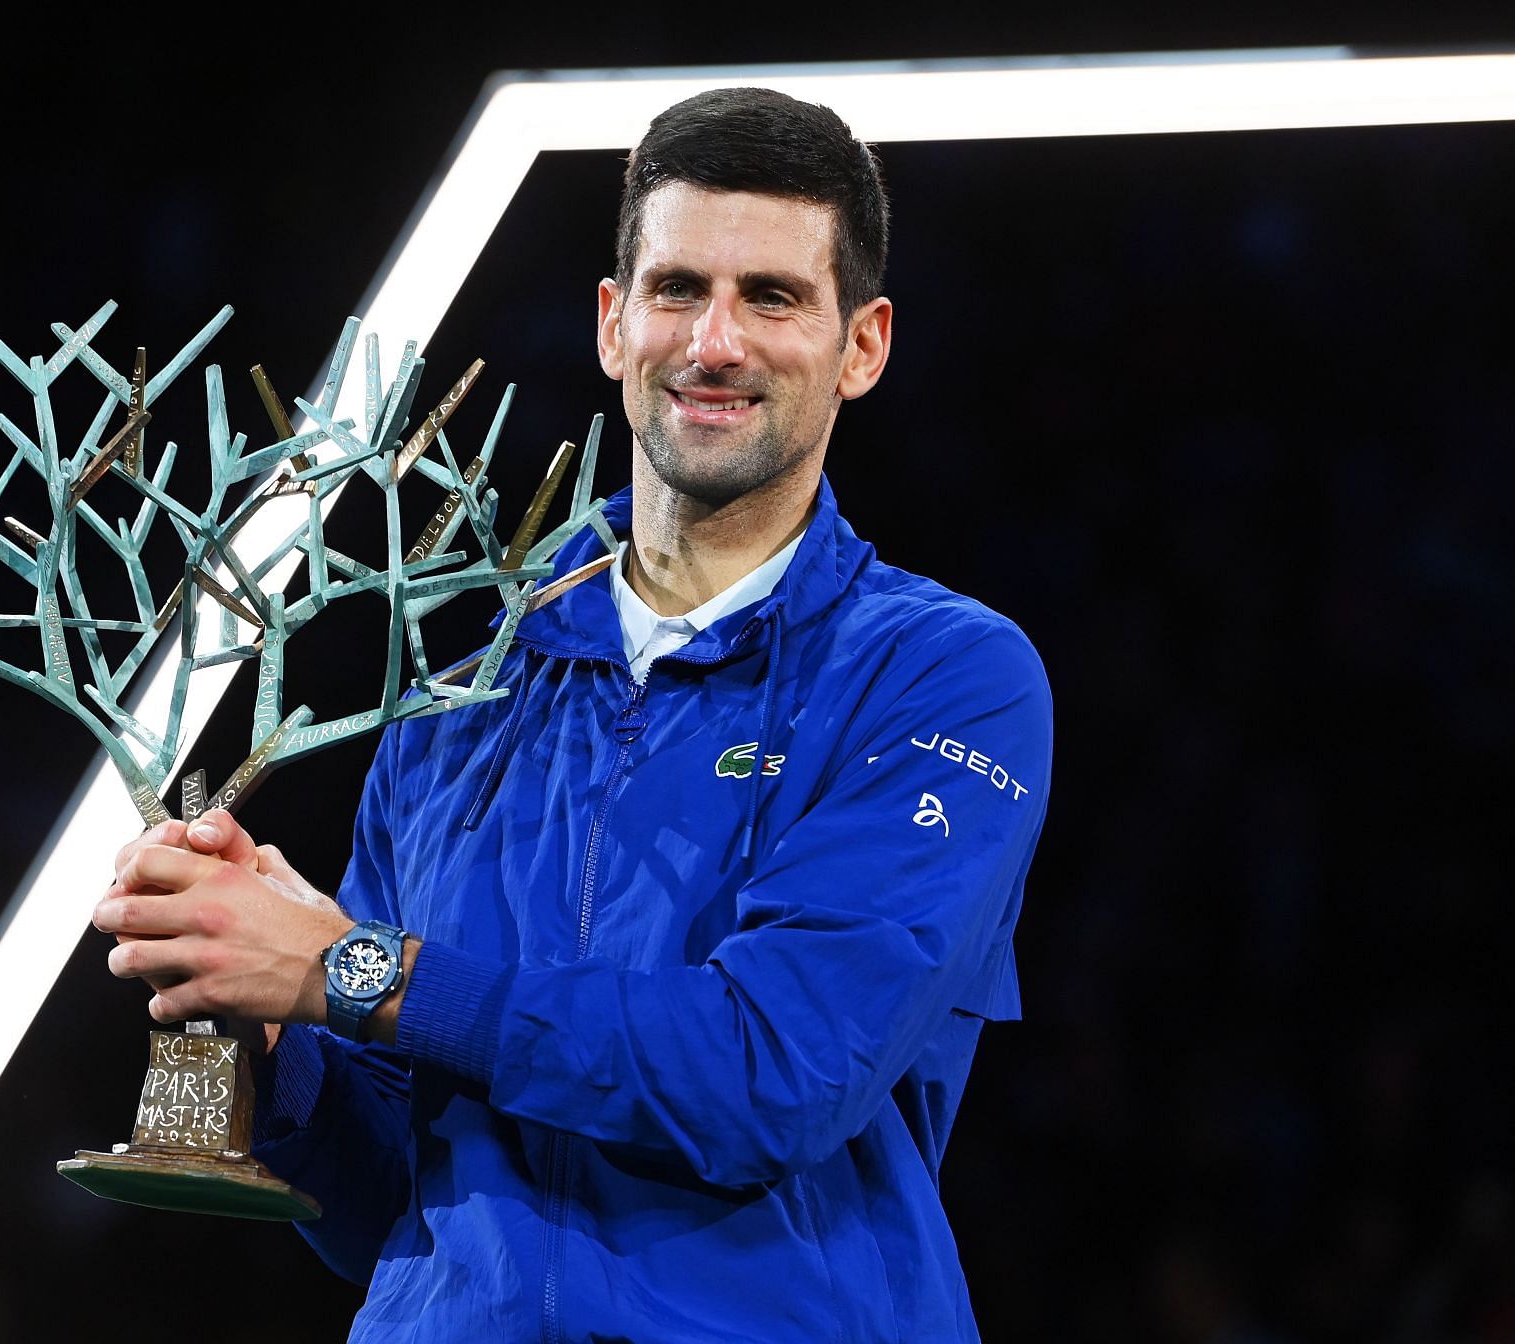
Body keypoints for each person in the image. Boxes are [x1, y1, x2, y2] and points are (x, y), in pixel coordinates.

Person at [96, 85, 1053, 1342]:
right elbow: (393, 1193)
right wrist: (274, 1024)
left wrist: (345, 966)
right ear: (613, 323)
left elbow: (769, 1076)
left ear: (861, 345)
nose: (714, 342)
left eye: (771, 296)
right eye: (675, 289)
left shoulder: (942, 678)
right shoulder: (456, 698)